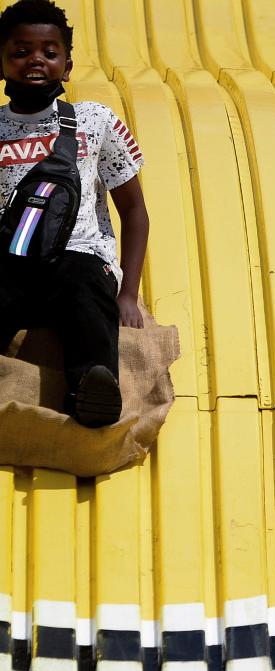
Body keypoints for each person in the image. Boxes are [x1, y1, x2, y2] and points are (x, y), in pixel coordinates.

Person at [0, 0, 148, 428]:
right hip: (13, 263)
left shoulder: (95, 120)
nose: (35, 61)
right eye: (21, 50)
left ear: (66, 65)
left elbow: (135, 210)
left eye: (49, 52)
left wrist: (128, 294)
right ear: (3, 59)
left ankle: (93, 388)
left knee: (82, 281)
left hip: (79, 258)